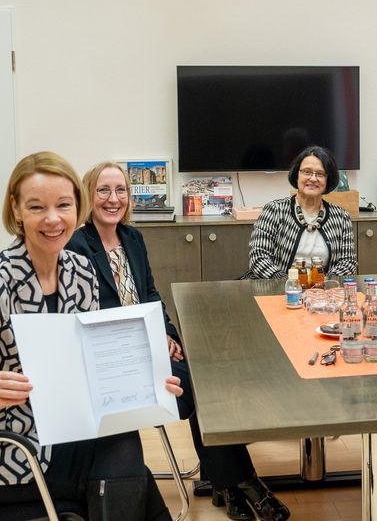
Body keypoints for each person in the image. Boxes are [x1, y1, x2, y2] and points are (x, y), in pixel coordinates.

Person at [0, 152, 180, 520]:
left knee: (125, 456)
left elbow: (91, 359)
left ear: (77, 206)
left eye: (63, 205)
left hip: (59, 429)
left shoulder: (81, 271)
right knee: (124, 470)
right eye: (36, 207)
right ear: (16, 209)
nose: (52, 219)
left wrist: (148, 381)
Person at [67, 161, 290, 521]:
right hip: (115, 363)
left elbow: (150, 295)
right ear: (88, 196)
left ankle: (228, 485)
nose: (113, 199)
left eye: (121, 190)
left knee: (207, 380)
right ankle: (244, 484)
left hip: (149, 350)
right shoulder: (77, 246)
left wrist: (167, 333)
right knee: (201, 389)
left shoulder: (132, 238)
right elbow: (85, 318)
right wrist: (145, 341)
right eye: (103, 190)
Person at [247, 145, 357, 278]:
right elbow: (258, 257)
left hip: (323, 288)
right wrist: (290, 284)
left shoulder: (341, 217)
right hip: (279, 286)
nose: (313, 179)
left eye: (320, 174)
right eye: (307, 172)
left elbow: (348, 263)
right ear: (297, 174)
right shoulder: (275, 210)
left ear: (328, 179)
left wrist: (323, 283)